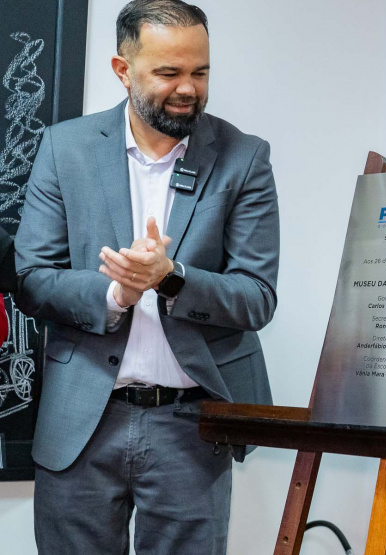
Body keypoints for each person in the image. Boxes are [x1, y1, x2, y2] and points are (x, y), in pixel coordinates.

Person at [15, 1, 279, 553]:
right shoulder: (65, 149)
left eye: (200, 72)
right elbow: (34, 279)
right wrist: (117, 292)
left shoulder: (244, 157)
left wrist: (171, 278)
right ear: (122, 70)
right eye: (169, 73)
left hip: (191, 426)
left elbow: (257, 297)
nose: (188, 88)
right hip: (82, 421)